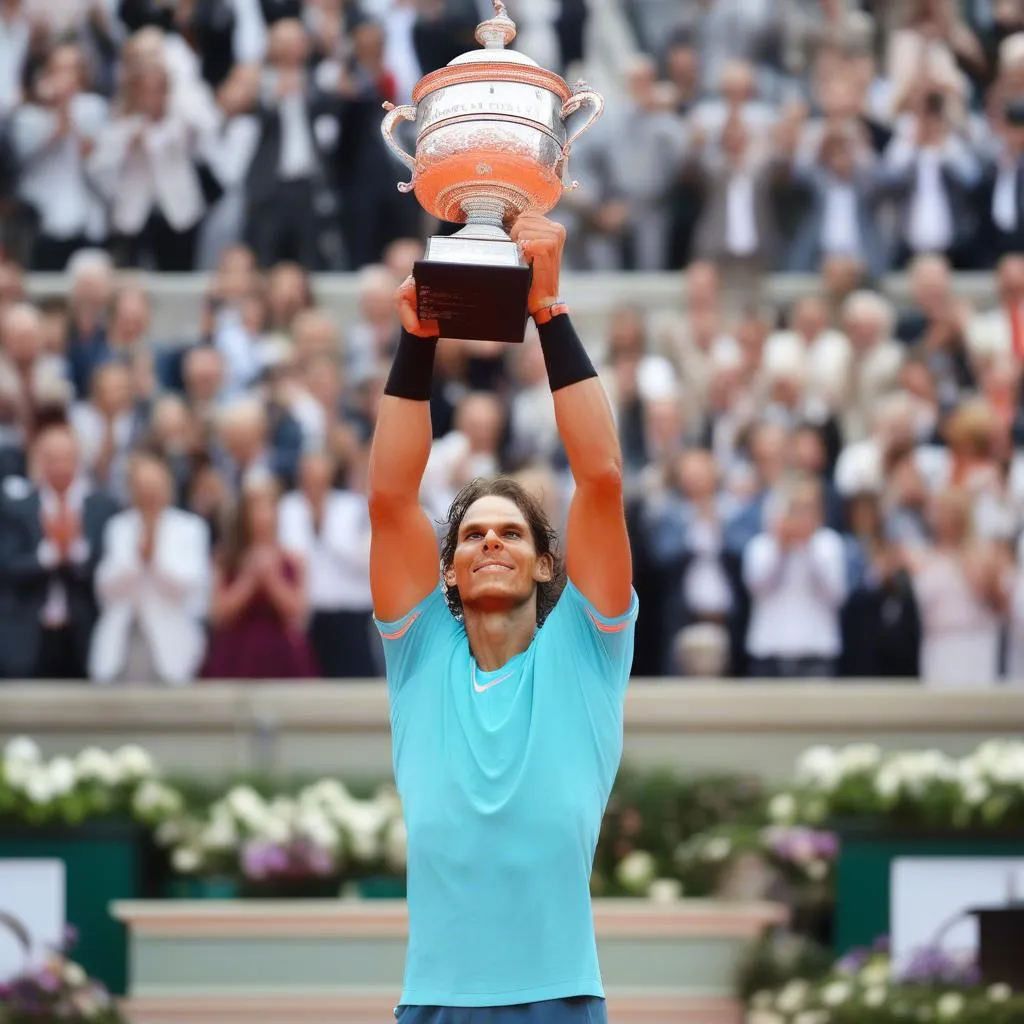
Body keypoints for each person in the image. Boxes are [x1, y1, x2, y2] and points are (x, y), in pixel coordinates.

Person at [368, 212, 637, 1024]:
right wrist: (417, 342)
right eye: (472, 534)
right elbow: (388, 500)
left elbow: (601, 479)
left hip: (556, 1002)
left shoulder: (587, 647)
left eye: (512, 533)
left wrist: (549, 313)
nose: (490, 542)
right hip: (434, 1005)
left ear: (546, 563)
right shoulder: (419, 652)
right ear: (447, 569)